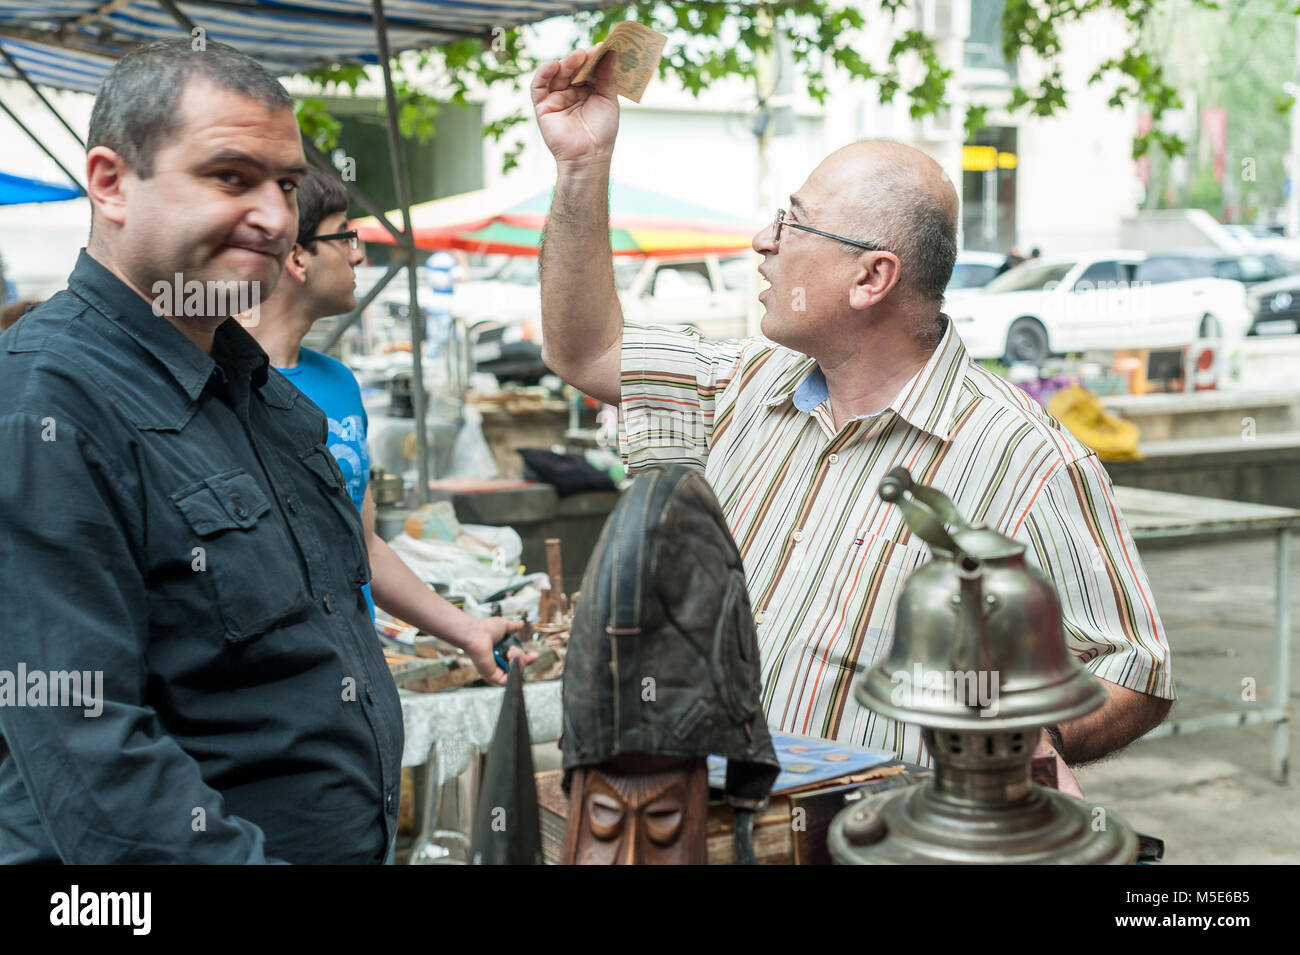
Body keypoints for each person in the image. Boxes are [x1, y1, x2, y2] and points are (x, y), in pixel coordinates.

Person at [529, 48, 1174, 786]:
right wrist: (582, 165)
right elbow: (586, 348)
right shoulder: (741, 385)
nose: (762, 242)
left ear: (872, 277)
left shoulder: (1026, 459)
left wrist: (1021, 734)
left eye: (792, 223)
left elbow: (1137, 667)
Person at [3, 39, 415, 864]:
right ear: (111, 183)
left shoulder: (258, 389)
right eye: (231, 177)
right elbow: (93, 755)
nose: (275, 217)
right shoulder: (44, 404)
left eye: (288, 185)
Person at [248, 166, 526, 674]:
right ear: (296, 256)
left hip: (358, 670)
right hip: (278, 684)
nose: (358, 253)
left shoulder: (339, 382)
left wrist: (468, 630)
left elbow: (366, 546)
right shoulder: (227, 387)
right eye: (345, 235)